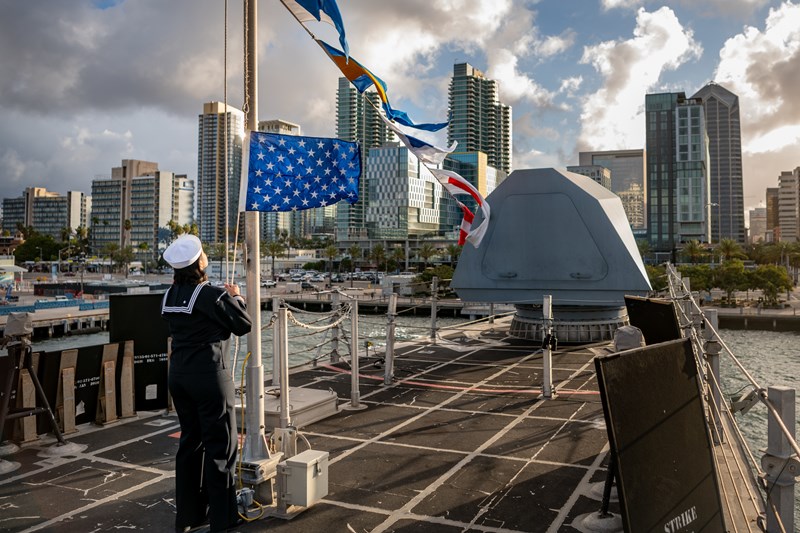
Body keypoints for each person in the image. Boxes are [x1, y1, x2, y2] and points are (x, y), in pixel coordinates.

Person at [160, 234, 251, 533]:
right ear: (199, 263)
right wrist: (236, 297)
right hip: (209, 375)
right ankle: (223, 519)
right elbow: (243, 324)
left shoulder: (169, 296)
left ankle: (188, 516)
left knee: (190, 443)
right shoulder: (211, 295)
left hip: (178, 376)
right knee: (220, 446)